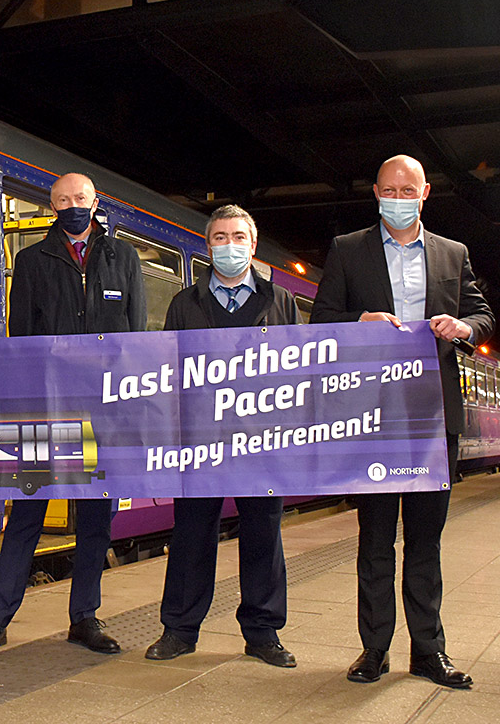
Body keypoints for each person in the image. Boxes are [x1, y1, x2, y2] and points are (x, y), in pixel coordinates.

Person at [311, 155, 494, 688]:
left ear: (425, 193)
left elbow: (482, 314)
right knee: (374, 541)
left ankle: (429, 651)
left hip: (434, 418)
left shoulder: (452, 253)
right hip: (371, 416)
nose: (397, 195)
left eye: (406, 188)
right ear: (375, 192)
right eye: (388, 188)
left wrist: (462, 325)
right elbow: (321, 321)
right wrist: (357, 323)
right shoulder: (348, 250)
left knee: (425, 541)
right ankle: (374, 650)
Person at [0, 172, 146, 656]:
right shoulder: (31, 261)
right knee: (26, 517)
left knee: (95, 522)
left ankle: (84, 618)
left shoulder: (122, 258)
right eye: (63, 200)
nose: (72, 206)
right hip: (46, 412)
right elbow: (22, 340)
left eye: (80, 198)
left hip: (105, 414)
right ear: (52, 205)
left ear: (95, 201)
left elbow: (135, 341)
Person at [145, 205, 298, 668]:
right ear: (207, 246)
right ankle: (179, 629)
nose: (228, 246)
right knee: (192, 535)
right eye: (218, 238)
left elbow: (296, 369)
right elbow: (168, 374)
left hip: (261, 439)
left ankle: (263, 632)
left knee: (263, 535)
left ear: (252, 245)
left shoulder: (280, 301)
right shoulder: (184, 304)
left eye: (237, 237)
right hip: (199, 441)